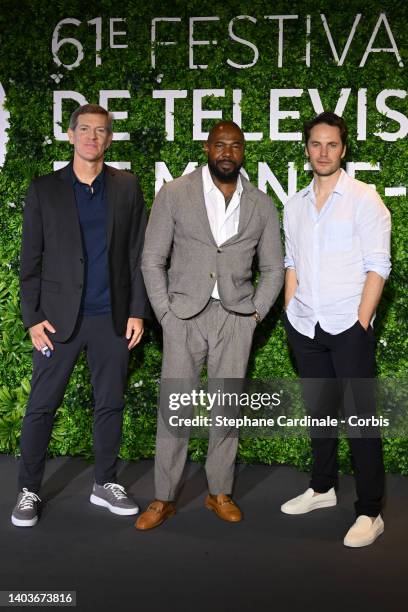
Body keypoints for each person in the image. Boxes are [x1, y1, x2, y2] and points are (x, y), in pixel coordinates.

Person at [136, 121, 284, 530]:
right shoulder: (175, 193)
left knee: (227, 410)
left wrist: (254, 314)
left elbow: (272, 268)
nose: (227, 152)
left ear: (243, 152)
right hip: (183, 316)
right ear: (207, 148)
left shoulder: (261, 204)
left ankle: (219, 492)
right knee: (175, 410)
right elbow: (152, 260)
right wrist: (165, 314)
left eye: (235, 146)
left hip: (235, 318)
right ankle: (163, 498)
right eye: (220, 144)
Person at [12, 104, 150, 527]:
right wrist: (32, 317)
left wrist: (137, 312)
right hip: (58, 322)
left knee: (110, 404)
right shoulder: (44, 189)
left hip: (111, 318)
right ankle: (28, 489)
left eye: (101, 131)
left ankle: (104, 483)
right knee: (41, 406)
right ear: (70, 135)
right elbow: (30, 259)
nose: (93, 137)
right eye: (85, 129)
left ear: (109, 139)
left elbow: (137, 256)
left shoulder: (126, 186)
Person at [281, 111, 391, 547]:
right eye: (315, 144)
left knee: (361, 420)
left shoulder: (365, 198)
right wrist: (291, 310)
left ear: (343, 149)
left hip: (349, 324)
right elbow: (291, 261)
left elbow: (378, 265)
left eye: (331, 144)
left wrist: (361, 321)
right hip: (306, 324)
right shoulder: (294, 204)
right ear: (306, 149)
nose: (323, 152)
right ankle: (323, 488)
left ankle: (370, 512)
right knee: (320, 413)